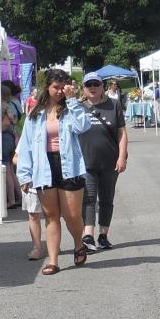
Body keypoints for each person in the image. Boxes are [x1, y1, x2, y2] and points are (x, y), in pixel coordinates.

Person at [15, 68, 90, 275]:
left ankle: (78, 244)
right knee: (51, 215)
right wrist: (25, 175)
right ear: (47, 87)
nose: (58, 91)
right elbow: (26, 146)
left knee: (72, 215)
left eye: (62, 88)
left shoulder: (71, 108)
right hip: (43, 167)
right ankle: (53, 260)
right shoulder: (35, 113)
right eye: (55, 87)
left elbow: (83, 127)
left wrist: (73, 101)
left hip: (69, 166)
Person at [78, 71, 129, 251]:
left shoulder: (113, 105)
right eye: (89, 84)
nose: (92, 88)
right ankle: (88, 236)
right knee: (89, 198)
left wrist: (122, 156)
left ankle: (103, 235)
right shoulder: (77, 107)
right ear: (84, 88)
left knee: (107, 199)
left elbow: (122, 132)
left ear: (102, 87)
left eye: (96, 84)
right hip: (86, 161)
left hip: (110, 161)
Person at [0, 79, 21, 208]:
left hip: (2, 138)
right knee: (11, 171)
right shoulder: (8, 106)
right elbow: (12, 121)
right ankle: (19, 196)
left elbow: (5, 123)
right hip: (10, 138)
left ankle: (11, 200)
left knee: (6, 170)